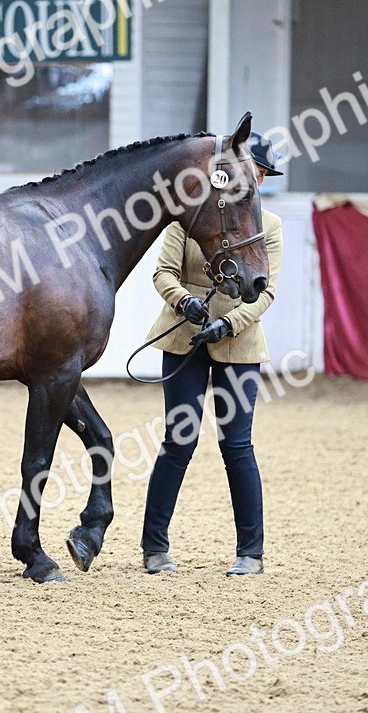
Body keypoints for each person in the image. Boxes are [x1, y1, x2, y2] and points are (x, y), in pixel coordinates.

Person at [140, 132, 284, 576]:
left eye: (260, 175)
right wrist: (185, 302)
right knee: (177, 441)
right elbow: (163, 272)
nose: (255, 181)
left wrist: (230, 322)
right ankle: (154, 547)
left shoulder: (268, 226)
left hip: (238, 344)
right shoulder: (187, 216)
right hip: (184, 335)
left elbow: (265, 292)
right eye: (252, 172)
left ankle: (250, 552)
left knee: (237, 445)